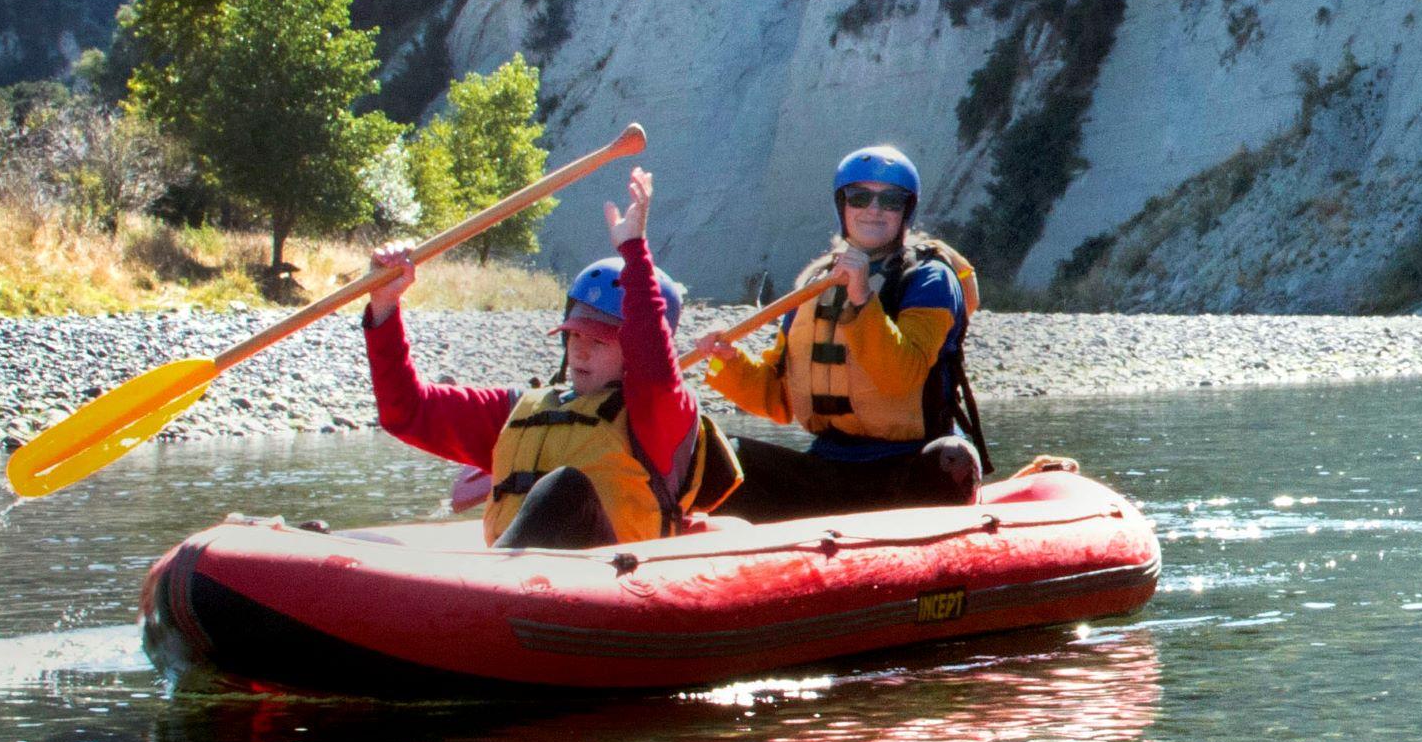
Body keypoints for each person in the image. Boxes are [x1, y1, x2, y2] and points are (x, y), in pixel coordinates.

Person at [362, 165, 742, 547]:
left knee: (565, 488)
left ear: (633, 353)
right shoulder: (517, 410)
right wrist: (385, 307)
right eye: (574, 334)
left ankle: (496, 583)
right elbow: (406, 412)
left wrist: (633, 249)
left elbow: (653, 356)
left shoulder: (658, 416)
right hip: (512, 579)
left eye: (600, 341)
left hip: (607, 580)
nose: (579, 348)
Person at [701, 142, 987, 515]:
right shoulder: (817, 285)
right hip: (832, 466)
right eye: (859, 197)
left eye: (890, 201)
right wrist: (729, 361)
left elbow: (901, 375)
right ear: (843, 205)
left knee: (949, 456)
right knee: (720, 454)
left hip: (910, 467)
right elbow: (778, 398)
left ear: (906, 211)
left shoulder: (930, 279)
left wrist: (862, 298)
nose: (873, 209)